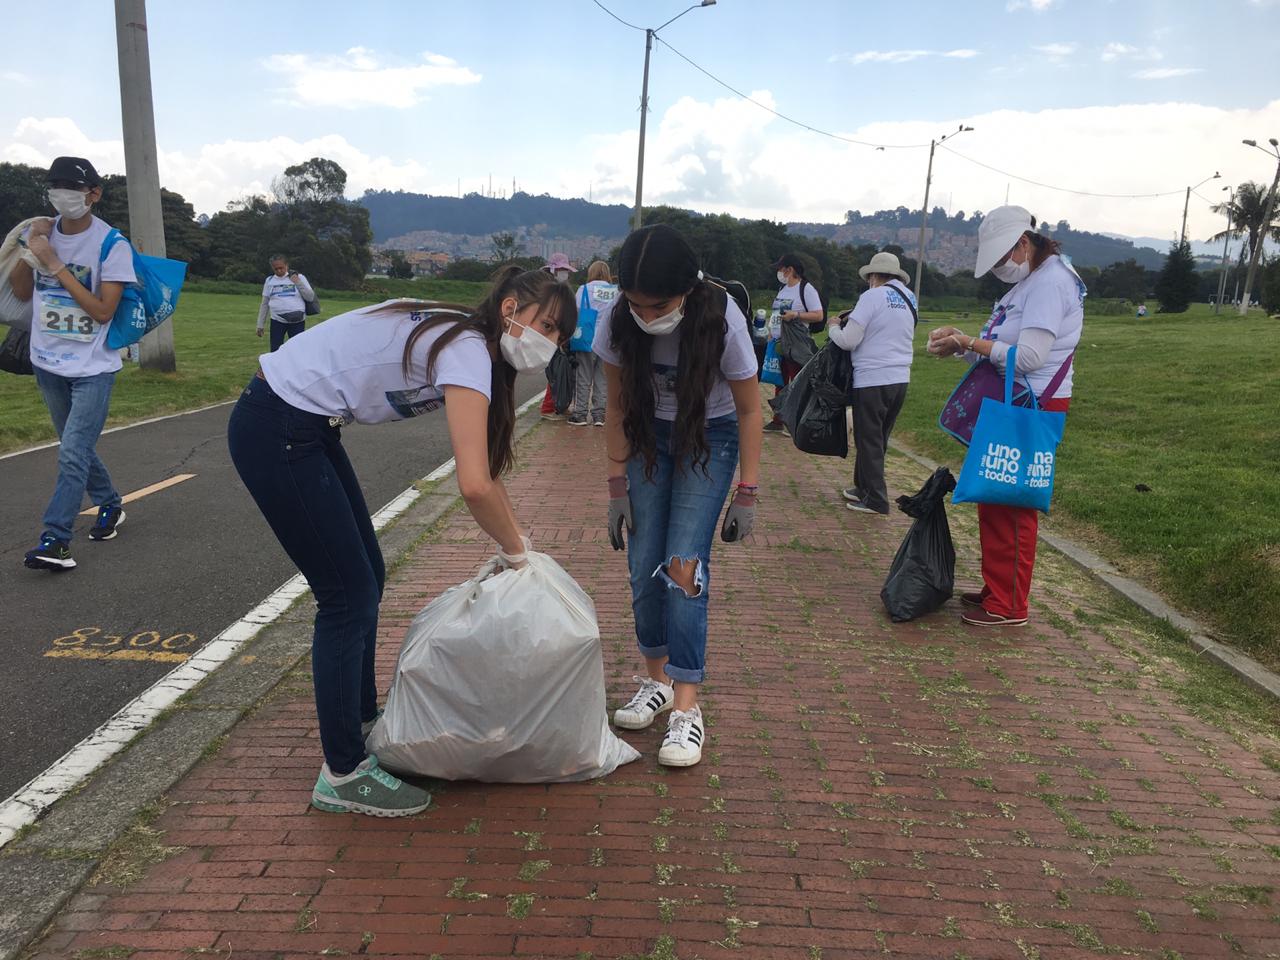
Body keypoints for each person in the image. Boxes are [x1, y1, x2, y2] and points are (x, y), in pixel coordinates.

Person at [227, 266, 576, 815]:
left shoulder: (470, 341)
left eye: (560, 337)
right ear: (510, 309)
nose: (550, 344)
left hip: (305, 425)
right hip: (279, 426)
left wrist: (520, 541)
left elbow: (486, 472)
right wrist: (515, 551)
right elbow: (474, 484)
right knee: (347, 597)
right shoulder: (465, 348)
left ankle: (361, 722)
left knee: (367, 576)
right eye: (548, 326)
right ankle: (342, 773)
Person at [596, 224, 762, 767]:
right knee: (645, 564)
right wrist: (617, 484)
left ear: (688, 290)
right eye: (636, 304)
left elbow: (749, 409)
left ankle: (687, 708)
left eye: (659, 305)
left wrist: (748, 492)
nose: (646, 316)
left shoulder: (724, 321)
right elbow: (617, 407)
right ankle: (657, 682)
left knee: (683, 567)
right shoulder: (617, 318)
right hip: (648, 438)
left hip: (708, 438)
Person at [927, 206, 1083, 627]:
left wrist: (969, 342)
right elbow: (1002, 343)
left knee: (1011, 502)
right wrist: (960, 343)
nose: (998, 269)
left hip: (1032, 402)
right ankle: (998, 586)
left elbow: (1029, 358)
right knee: (994, 493)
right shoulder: (1033, 280)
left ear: (1023, 244)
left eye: (1000, 259)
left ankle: (1010, 602)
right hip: (1014, 397)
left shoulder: (1051, 282)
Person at [10, 157, 135, 570]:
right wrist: (30, 250)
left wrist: (56, 265)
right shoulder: (43, 234)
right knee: (74, 449)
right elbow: (22, 291)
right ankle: (110, 503)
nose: (62, 193)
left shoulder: (111, 245)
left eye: (72, 186)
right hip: (47, 361)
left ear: (93, 194)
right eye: (55, 185)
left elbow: (102, 311)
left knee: (72, 452)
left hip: (92, 368)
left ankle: (56, 539)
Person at [828, 251, 916, 515]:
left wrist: (834, 327)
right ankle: (863, 486)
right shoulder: (909, 298)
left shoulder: (871, 296)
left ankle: (876, 499)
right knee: (879, 438)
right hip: (900, 377)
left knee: (868, 440)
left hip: (872, 378)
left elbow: (849, 339)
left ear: (874, 276)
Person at [764, 254, 824, 433]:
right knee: (780, 379)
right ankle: (778, 419)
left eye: (781, 269)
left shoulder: (806, 289)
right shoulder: (783, 289)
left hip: (797, 342)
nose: (779, 272)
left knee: (796, 380)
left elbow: (818, 315)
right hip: (779, 341)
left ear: (789, 270)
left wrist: (796, 315)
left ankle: (796, 420)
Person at [568, 260, 616, 426]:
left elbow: (575, 311)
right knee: (602, 378)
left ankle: (580, 414)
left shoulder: (584, 289)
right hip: (608, 340)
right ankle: (599, 415)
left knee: (583, 376)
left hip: (587, 338)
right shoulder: (614, 291)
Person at [540, 253, 574, 420]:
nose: (564, 274)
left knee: (560, 371)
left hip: (559, 335)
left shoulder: (555, 288)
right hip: (553, 335)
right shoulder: (550, 290)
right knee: (555, 373)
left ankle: (559, 405)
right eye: (562, 270)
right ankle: (548, 408)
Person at [256, 255, 316, 351]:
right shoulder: (270, 281)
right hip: (277, 321)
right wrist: (260, 325)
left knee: (297, 349)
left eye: (281, 268)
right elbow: (264, 304)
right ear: (272, 268)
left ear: (286, 265)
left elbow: (310, 297)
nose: (279, 271)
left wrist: (298, 282)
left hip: (297, 321)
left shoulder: (299, 277)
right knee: (275, 350)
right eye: (276, 269)